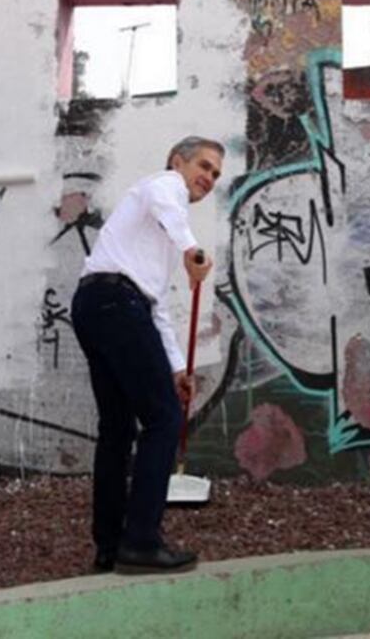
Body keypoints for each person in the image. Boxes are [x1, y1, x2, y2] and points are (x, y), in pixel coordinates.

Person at [71, 136, 222, 574]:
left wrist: (177, 368)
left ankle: (110, 546)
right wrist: (192, 250)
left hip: (98, 304)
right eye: (204, 166)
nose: (209, 178)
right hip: (116, 303)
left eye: (215, 174)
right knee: (164, 420)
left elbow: (154, 306)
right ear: (178, 161)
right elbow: (165, 198)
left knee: (118, 429)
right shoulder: (164, 185)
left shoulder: (157, 231)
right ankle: (140, 542)